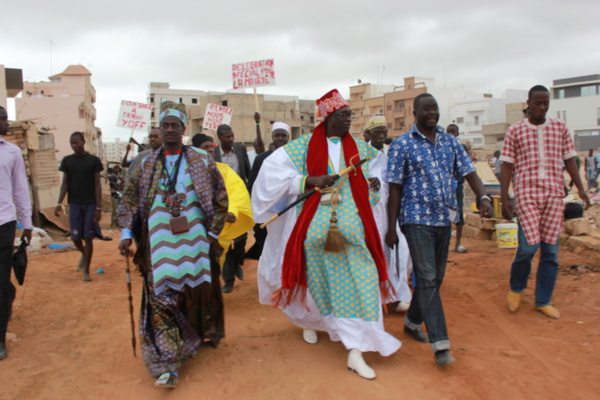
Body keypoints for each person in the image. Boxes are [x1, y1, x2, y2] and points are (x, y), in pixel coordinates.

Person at [253, 89, 400, 380]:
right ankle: (313, 322)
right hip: (315, 228)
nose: (349, 119)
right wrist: (308, 179)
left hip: (353, 228)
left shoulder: (361, 148)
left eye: (349, 114)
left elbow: (381, 174)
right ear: (328, 117)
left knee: (364, 280)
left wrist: (373, 183)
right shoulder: (302, 147)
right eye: (344, 115)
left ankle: (356, 348)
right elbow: (270, 173)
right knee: (317, 284)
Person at [117, 106, 228, 388]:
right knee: (161, 294)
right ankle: (167, 363)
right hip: (158, 242)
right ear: (160, 128)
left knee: (196, 290)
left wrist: (213, 234)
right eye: (164, 125)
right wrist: (127, 234)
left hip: (195, 241)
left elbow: (219, 196)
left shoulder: (202, 160)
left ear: (182, 130)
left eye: (174, 125)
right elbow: (129, 201)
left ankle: (200, 333)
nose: (169, 129)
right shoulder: (143, 163)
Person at [386, 93, 493, 368]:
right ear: (415, 112)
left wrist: (483, 197)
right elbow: (394, 189)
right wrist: (391, 227)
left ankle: (411, 323)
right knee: (428, 277)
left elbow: (470, 173)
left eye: (435, 108)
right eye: (426, 109)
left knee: (436, 278)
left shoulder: (450, 141)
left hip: (443, 219)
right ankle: (441, 345)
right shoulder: (402, 145)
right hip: (415, 218)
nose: (432, 113)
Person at [501, 85, 590, 320]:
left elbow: (570, 159)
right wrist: (505, 198)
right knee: (527, 247)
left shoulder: (560, 128)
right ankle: (516, 288)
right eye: (537, 103)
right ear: (528, 103)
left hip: (553, 194)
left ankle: (543, 300)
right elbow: (507, 165)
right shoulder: (515, 131)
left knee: (550, 250)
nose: (542, 107)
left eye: (545, 103)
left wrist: (580, 188)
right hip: (526, 193)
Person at [192, 133, 254, 270]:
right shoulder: (187, 171)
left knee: (215, 264)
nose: (210, 149)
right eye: (205, 147)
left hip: (219, 225)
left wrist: (232, 210)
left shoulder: (224, 170)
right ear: (195, 150)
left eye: (211, 146)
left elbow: (237, 191)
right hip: (195, 226)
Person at [0, 106, 33, 360]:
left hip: (4, 223)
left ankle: (0, 338)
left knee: (0, 283)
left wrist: (27, 224)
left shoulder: (11, 152)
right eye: (3, 119)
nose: (6, 123)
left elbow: (21, 189)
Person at [55, 131, 103, 282]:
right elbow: (65, 184)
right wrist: (58, 203)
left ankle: (86, 271)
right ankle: (84, 254)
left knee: (88, 237)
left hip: (90, 204)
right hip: (74, 204)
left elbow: (97, 185)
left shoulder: (93, 160)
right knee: (75, 237)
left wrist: (98, 207)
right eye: (72, 143)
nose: (75, 146)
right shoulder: (67, 161)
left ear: (83, 142)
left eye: (77, 142)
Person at [213, 124, 251, 293]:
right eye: (227, 137)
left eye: (232, 136)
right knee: (226, 241)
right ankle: (228, 280)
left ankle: (238, 263)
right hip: (222, 204)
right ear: (219, 138)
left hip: (240, 200)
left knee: (241, 238)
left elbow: (248, 174)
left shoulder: (241, 149)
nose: (231, 139)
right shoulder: (212, 155)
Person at [245, 120, 290, 260]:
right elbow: (252, 185)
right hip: (267, 211)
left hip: (288, 210)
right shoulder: (261, 159)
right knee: (265, 248)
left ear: (288, 137)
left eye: (283, 135)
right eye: (277, 135)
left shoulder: (294, 158)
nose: (280, 138)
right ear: (273, 137)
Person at [446, 124, 468, 253]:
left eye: (453, 132)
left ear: (457, 134)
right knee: (446, 214)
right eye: (449, 132)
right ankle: (446, 244)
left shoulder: (461, 148)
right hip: (446, 185)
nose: (451, 134)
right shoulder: (442, 147)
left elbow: (466, 166)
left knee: (458, 212)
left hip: (457, 184)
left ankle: (458, 244)